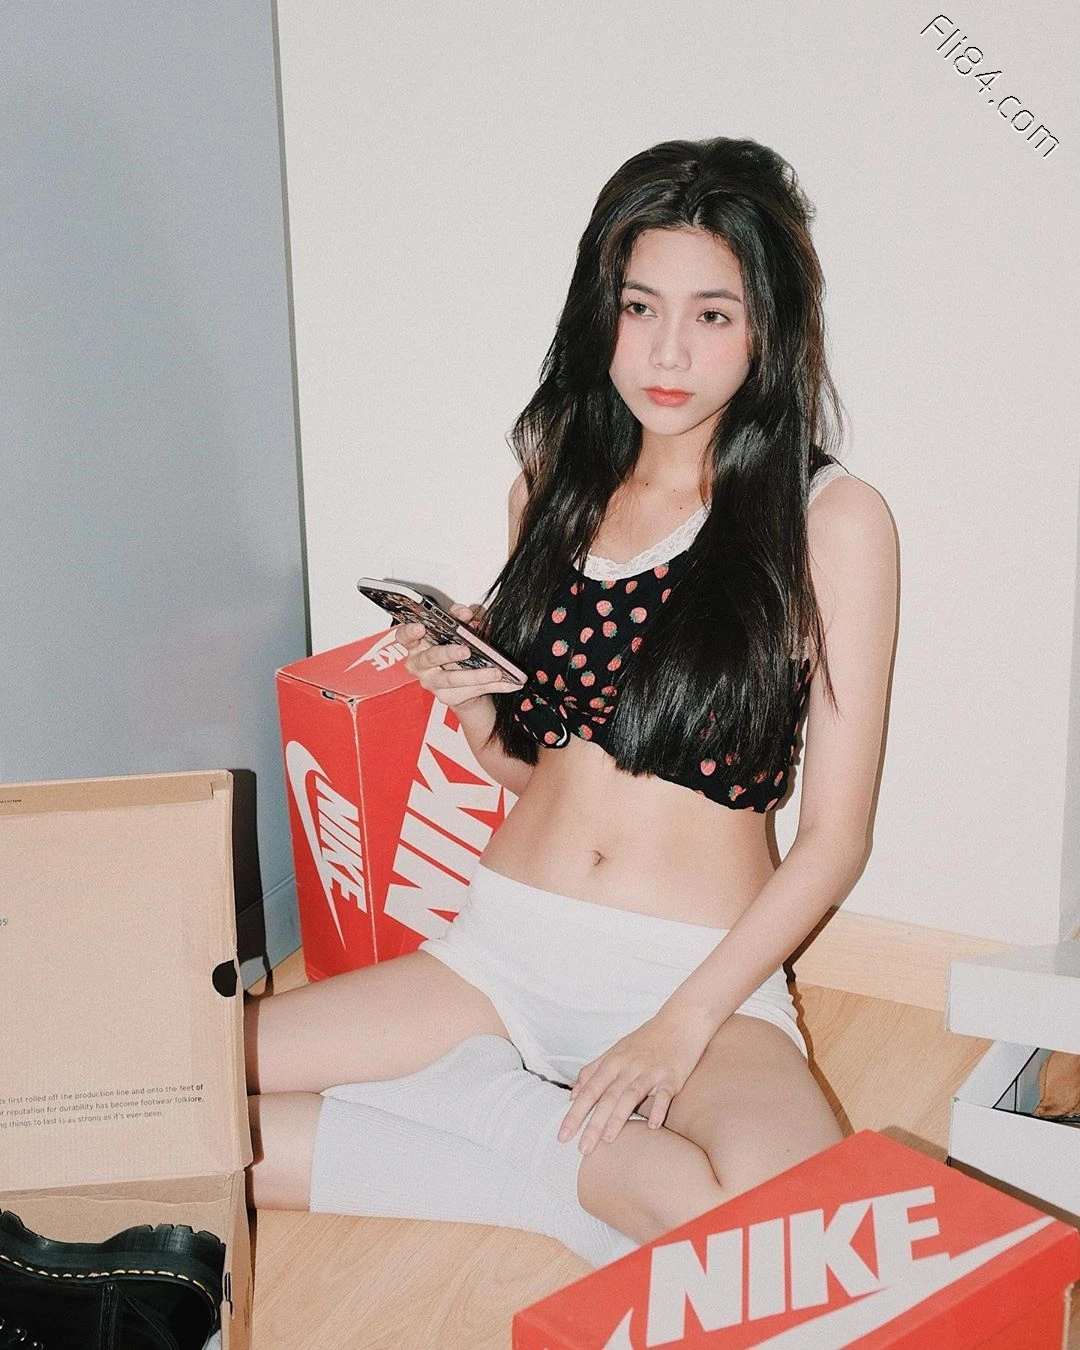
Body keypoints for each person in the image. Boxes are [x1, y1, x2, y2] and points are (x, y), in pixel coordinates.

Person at [245, 136, 898, 1266]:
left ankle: (502, 1127)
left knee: (793, 1246)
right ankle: (532, 1135)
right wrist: (474, 709)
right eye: (640, 307)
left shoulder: (830, 520)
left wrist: (677, 1027)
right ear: (603, 310)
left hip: (698, 973)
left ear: (769, 329)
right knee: (180, 1097)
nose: (667, 352)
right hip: (498, 957)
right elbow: (537, 772)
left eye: (712, 315)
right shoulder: (552, 482)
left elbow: (835, 840)